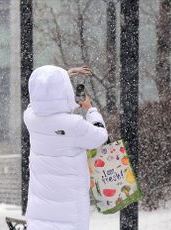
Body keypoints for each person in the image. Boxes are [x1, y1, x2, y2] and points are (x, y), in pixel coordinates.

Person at [24, 65, 108, 230]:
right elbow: (101, 135)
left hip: (39, 210)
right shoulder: (74, 125)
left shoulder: (31, 118)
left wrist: (63, 77)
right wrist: (90, 109)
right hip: (70, 212)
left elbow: (39, 101)